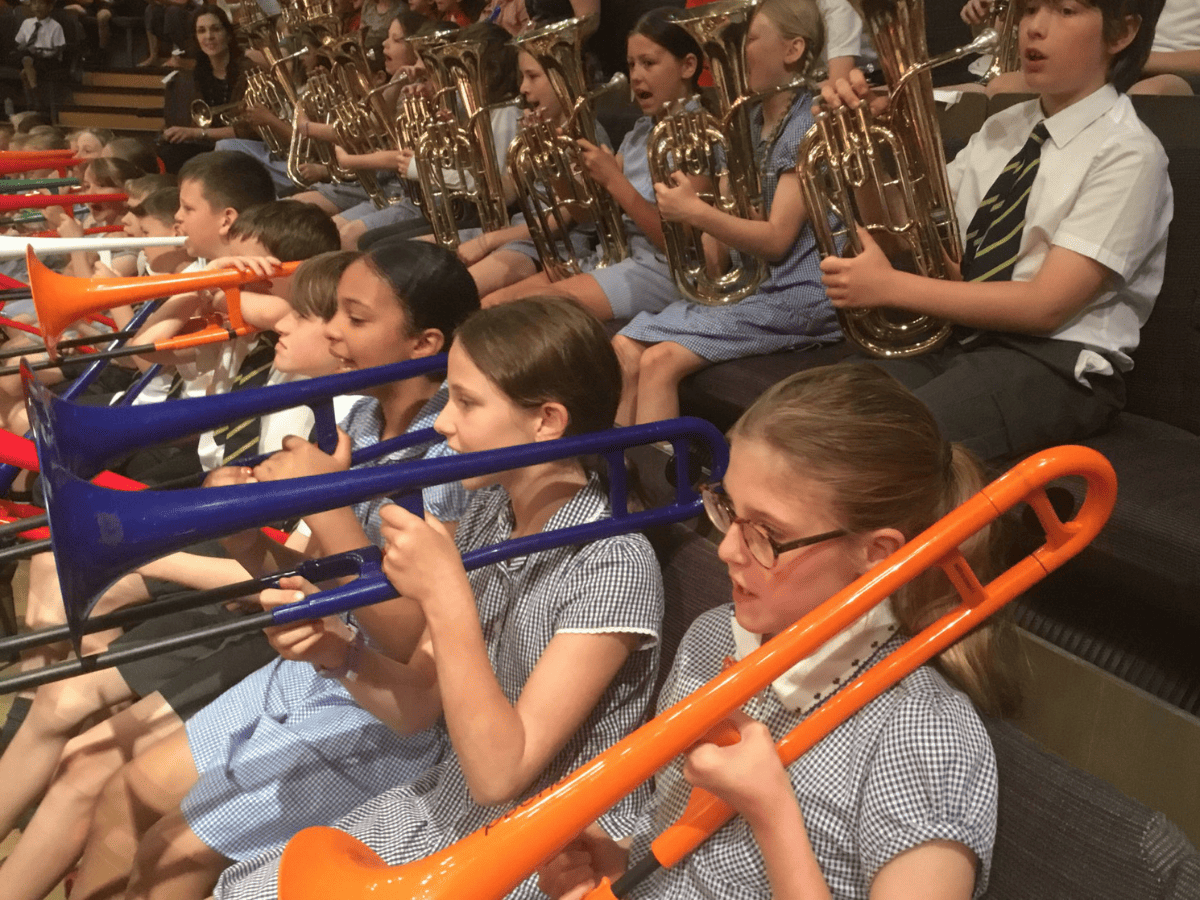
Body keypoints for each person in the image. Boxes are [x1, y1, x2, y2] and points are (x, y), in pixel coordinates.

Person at [199, 297, 663, 900]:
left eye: (467, 404)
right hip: (450, 806)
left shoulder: (615, 561)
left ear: (547, 421)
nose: (443, 423)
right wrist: (338, 656)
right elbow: (417, 703)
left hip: (542, 853)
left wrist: (446, 595)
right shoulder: (493, 511)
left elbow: (502, 774)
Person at [64, 241, 483, 900]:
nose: (332, 331)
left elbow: (411, 639)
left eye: (355, 318)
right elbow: (327, 569)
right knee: (124, 793)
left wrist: (330, 502)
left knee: (173, 852)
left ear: (421, 342)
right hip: (316, 670)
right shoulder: (363, 416)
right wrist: (250, 547)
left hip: (383, 706)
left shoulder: (454, 452)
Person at [539, 363, 1021, 900]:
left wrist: (771, 812)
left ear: (876, 555)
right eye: (728, 509)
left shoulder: (921, 735)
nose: (726, 550)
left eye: (766, 534)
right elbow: (687, 854)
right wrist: (618, 865)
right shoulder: (712, 638)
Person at [0, 251, 361, 900]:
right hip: (229, 566)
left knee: (86, 751)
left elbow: (307, 568)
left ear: (346, 333)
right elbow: (142, 349)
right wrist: (203, 279)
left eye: (317, 315)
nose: (283, 317)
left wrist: (240, 282)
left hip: (262, 604)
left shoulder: (332, 408)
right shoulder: (272, 369)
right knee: (64, 706)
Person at [819, 0, 1172, 463]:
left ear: (1121, 33)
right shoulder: (1003, 126)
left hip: (1056, 362)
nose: (1034, 29)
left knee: (881, 443)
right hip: (965, 338)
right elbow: (903, 232)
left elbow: (1046, 307)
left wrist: (890, 287)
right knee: (815, 414)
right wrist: (861, 145)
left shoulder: (1129, 152)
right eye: (1027, 10)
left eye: (1064, 11)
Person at [613, 0, 840, 426]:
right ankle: (618, 480)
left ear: (793, 50)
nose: (733, 52)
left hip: (804, 294)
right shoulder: (746, 122)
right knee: (625, 347)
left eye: (748, 39)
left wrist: (696, 212)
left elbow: (775, 240)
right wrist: (705, 258)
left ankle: (665, 489)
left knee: (660, 362)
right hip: (757, 289)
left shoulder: (807, 123)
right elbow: (726, 227)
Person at [481, 8, 705, 322]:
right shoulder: (641, 131)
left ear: (688, 65)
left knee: (522, 313)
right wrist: (558, 166)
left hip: (665, 268)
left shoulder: (698, 134)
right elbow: (590, 213)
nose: (636, 75)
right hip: (618, 254)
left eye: (649, 63)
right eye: (631, 65)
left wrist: (614, 181)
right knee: (491, 304)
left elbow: (682, 243)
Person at [453, 45, 614, 297]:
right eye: (522, 77)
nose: (523, 88)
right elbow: (505, 194)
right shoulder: (541, 130)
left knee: (456, 290)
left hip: (558, 246)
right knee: (414, 256)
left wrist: (487, 242)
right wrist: (470, 149)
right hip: (517, 232)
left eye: (533, 76)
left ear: (562, 79)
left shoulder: (585, 136)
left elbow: (557, 222)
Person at [159, 6, 249, 174]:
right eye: (201, 31)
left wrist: (195, 133)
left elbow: (248, 131)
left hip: (240, 146)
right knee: (168, 152)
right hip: (206, 144)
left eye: (215, 29)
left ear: (228, 35)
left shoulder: (248, 72)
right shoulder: (196, 74)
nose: (209, 36)